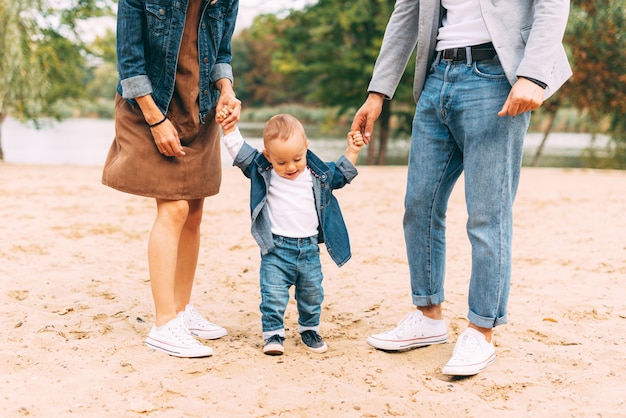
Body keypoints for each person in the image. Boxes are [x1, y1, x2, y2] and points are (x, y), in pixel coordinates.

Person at [351, 0, 572, 375]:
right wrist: (377, 93)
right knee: (419, 204)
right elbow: (407, 12)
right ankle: (428, 315)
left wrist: (534, 75)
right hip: (437, 76)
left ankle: (481, 330)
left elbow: (552, 4)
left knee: (487, 215)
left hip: (497, 76)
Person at [101, 0, 242, 358]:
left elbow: (221, 52)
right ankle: (164, 324)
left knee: (194, 211)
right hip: (148, 104)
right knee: (175, 208)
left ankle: (181, 309)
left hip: (201, 107)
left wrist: (226, 90)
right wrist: (155, 120)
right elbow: (129, 63)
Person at [218, 111, 364, 355]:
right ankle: (273, 334)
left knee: (312, 293)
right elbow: (241, 153)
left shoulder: (317, 175)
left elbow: (341, 174)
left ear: (306, 147)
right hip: (275, 249)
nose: (291, 167)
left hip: (308, 249)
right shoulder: (263, 170)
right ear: (268, 157)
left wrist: (353, 150)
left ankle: (309, 329)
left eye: (297, 158)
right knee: (272, 294)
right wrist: (229, 128)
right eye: (281, 162)